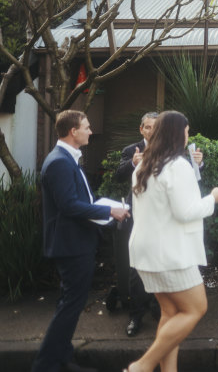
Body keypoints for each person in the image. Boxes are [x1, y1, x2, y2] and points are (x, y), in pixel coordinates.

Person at [124, 111, 218, 372]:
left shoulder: (142, 166)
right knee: (195, 309)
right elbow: (186, 211)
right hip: (170, 253)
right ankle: (142, 366)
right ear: (176, 133)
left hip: (145, 251)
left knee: (170, 313)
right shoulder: (177, 165)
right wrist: (213, 198)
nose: (188, 135)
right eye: (186, 130)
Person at [33, 110, 129, 372]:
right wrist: (109, 210)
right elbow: (70, 206)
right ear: (73, 132)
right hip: (71, 245)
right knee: (70, 306)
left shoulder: (65, 158)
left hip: (74, 242)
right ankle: (46, 365)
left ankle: (62, 359)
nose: (90, 131)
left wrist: (101, 207)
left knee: (70, 303)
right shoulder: (60, 162)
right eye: (86, 127)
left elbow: (77, 201)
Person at [113, 112, 203, 337]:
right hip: (144, 221)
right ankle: (136, 316)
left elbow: (182, 186)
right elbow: (119, 175)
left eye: (156, 127)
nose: (151, 131)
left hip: (161, 230)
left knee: (167, 306)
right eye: (148, 127)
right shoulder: (135, 153)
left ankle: (159, 315)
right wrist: (213, 199)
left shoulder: (177, 161)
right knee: (139, 275)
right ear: (141, 129)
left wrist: (197, 165)